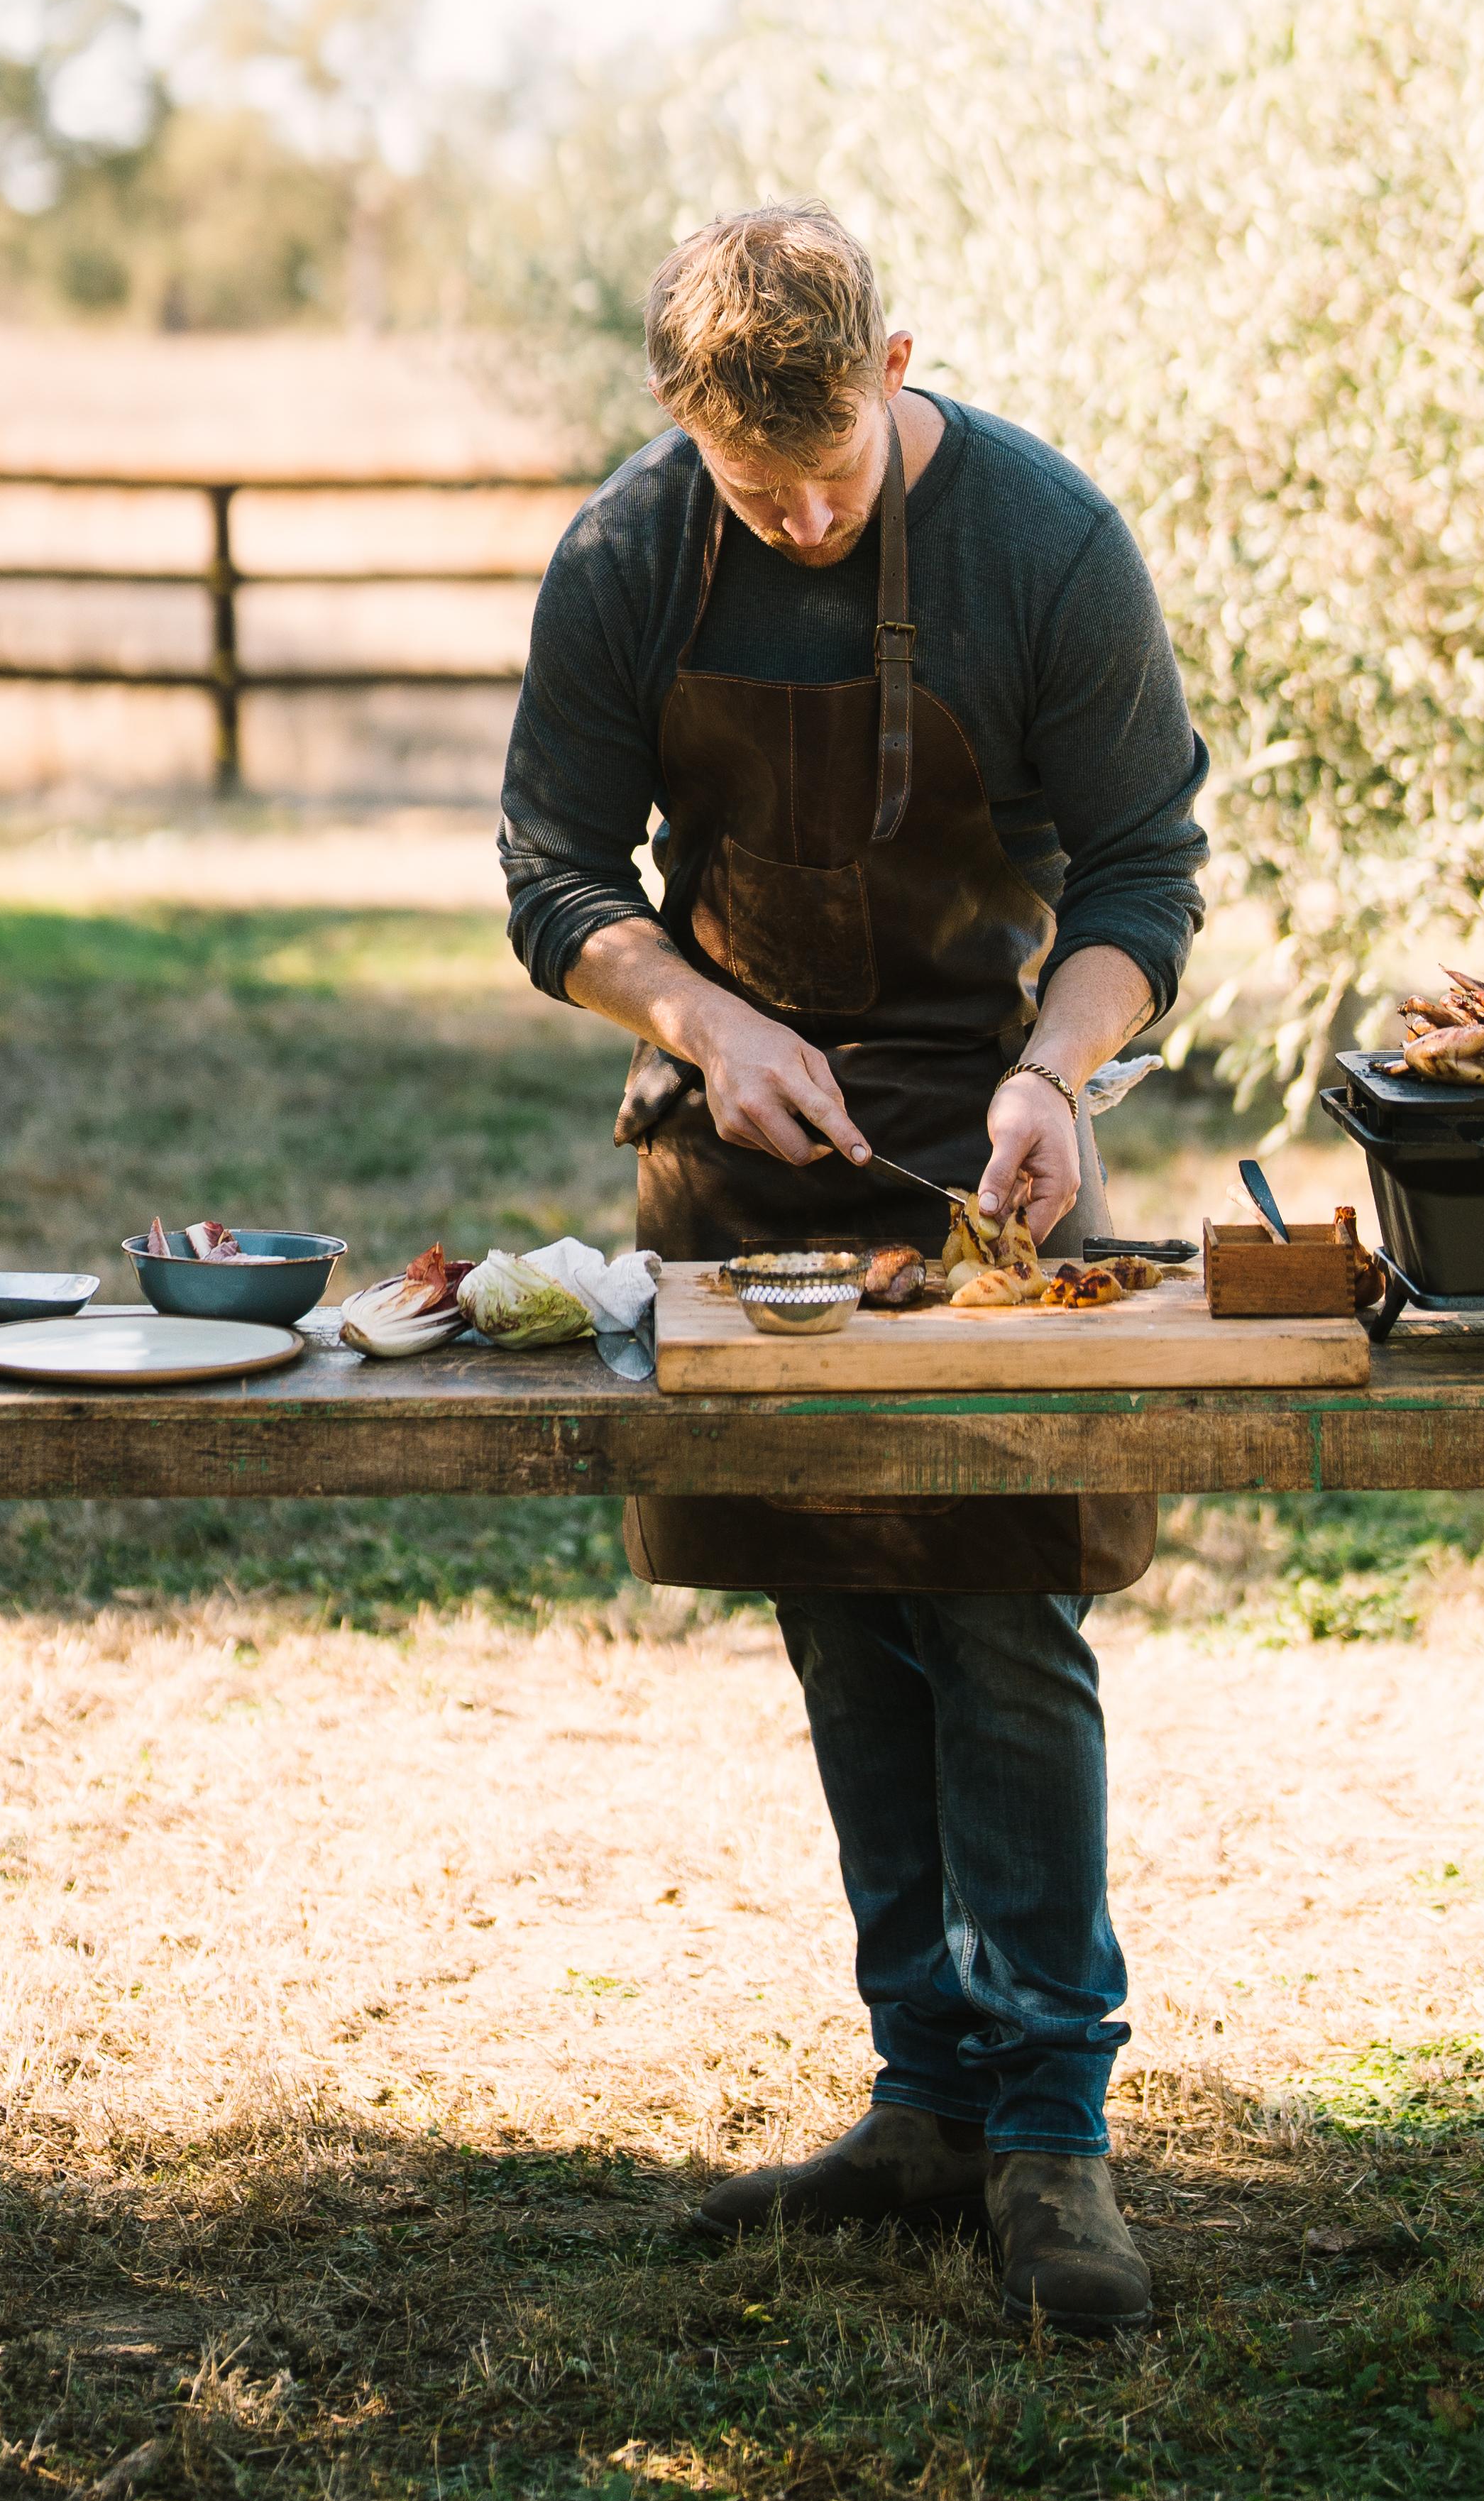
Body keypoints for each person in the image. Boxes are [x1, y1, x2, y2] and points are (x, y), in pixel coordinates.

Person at [499, 203, 1208, 2333]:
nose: (800, 522)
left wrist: (1059, 1079)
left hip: (994, 1161)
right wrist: (704, 1024)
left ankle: (1052, 2135)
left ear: (904, 362)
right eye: (752, 487)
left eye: (829, 474)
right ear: (679, 425)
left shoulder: (1050, 546)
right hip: (742, 1162)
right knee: (835, 1609)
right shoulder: (630, 557)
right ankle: (922, 2092)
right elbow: (551, 876)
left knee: (999, 1610)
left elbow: (1147, 870)